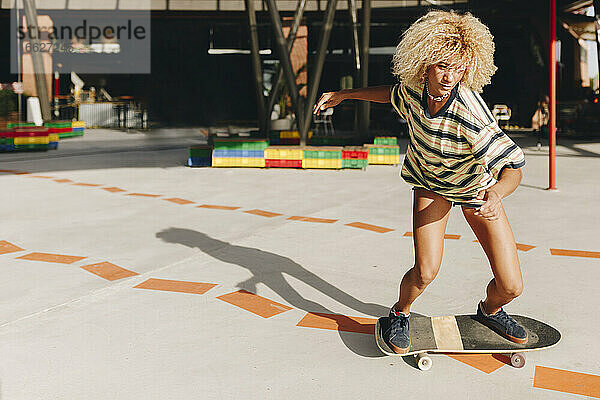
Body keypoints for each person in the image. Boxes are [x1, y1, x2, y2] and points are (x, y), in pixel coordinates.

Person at [314, 10, 528, 354]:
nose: (449, 76)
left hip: (476, 189)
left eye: (458, 69)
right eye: (442, 66)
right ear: (424, 62)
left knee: (512, 285)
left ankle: (490, 310)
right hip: (430, 186)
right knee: (426, 271)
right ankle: (399, 312)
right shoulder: (414, 91)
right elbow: (390, 94)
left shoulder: (471, 112)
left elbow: (514, 166)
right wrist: (346, 95)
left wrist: (497, 195)